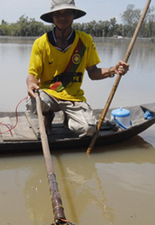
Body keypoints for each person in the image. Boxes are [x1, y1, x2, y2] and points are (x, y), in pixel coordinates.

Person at [26, 0, 129, 137]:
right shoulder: (41, 43)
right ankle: (48, 115)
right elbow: (32, 74)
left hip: (73, 97)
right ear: (52, 17)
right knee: (32, 102)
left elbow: (93, 73)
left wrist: (113, 70)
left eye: (67, 13)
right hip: (49, 93)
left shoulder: (85, 40)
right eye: (58, 14)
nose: (62, 18)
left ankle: (69, 118)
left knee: (88, 129)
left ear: (74, 15)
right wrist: (31, 84)